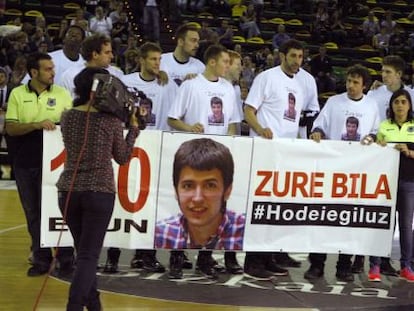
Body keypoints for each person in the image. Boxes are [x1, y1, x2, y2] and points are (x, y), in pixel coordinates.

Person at [56, 66, 141, 311]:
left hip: (68, 191)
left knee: (82, 252)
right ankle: (73, 306)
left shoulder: (67, 116)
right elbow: (123, 157)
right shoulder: (111, 120)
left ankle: (94, 305)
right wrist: (133, 129)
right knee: (88, 256)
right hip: (99, 193)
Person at [244, 39, 320, 279]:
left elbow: (304, 117)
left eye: (300, 57)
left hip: (287, 151)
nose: (297, 61)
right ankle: (252, 261)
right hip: (265, 150)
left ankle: (269, 257)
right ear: (282, 56)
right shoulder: (266, 77)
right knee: (261, 205)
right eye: (293, 56)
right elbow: (248, 110)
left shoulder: (301, 83)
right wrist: (261, 128)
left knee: (276, 208)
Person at [168, 44, 240, 279]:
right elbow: (172, 119)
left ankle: (205, 259)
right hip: (193, 157)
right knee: (186, 208)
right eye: (225, 61)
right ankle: (177, 258)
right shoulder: (191, 85)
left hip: (218, 158)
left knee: (216, 210)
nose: (228, 66)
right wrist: (189, 128)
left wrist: (229, 140)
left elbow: (232, 122)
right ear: (211, 62)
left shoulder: (229, 88)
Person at [308, 64, 380, 282]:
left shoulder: (372, 105)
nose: (351, 85)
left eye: (356, 82)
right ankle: (317, 264)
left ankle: (343, 266)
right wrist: (318, 132)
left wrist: (372, 138)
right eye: (349, 81)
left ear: (364, 85)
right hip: (331, 169)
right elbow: (319, 125)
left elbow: (377, 131)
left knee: (349, 219)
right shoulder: (334, 102)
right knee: (323, 217)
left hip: (356, 171)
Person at [4, 52, 74, 277]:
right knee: (33, 212)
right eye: (48, 69)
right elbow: (11, 128)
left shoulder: (63, 94)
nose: (53, 73)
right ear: (34, 72)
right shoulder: (17, 94)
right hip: (25, 162)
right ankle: (41, 258)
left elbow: (72, 125)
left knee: (58, 211)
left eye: (53, 68)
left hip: (56, 164)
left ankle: (66, 257)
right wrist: (35, 125)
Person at [121, 41, 179, 273]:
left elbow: (176, 112)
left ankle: (147, 254)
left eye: (159, 59)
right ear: (142, 60)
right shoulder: (127, 82)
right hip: (133, 146)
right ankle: (121, 252)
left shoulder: (167, 85)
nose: (157, 63)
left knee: (153, 203)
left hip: (158, 148)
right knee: (129, 200)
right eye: (153, 59)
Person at [155, 138, 245, 249]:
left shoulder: (248, 232)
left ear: (227, 191)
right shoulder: (158, 234)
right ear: (175, 190)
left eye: (210, 185)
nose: (198, 198)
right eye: (188, 186)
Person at [368, 89, 414, 282]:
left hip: (409, 182)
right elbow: (372, 145)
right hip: (386, 183)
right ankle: (375, 266)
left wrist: (409, 151)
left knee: (405, 226)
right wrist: (374, 142)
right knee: (382, 223)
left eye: (404, 102)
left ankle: (406, 266)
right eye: (396, 102)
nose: (400, 105)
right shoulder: (384, 126)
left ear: (409, 105)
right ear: (391, 105)